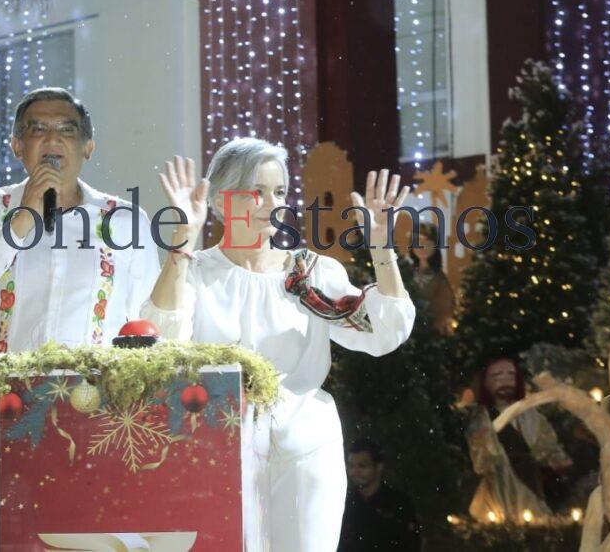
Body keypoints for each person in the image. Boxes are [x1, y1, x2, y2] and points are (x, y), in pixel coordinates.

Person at [140, 139, 416, 552]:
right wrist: (182, 238)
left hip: (306, 448)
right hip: (212, 450)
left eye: (279, 191)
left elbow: (384, 330)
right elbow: (159, 340)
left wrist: (381, 247)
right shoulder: (195, 272)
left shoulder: (311, 274)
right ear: (220, 199)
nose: (270, 203)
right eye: (256, 191)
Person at [0, 87, 161, 542]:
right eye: (37, 129)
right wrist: (19, 222)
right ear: (18, 146)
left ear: (88, 148)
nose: (52, 138)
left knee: (94, 543)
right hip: (3, 413)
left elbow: (151, 324)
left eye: (66, 129)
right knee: (21, 543)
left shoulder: (125, 221)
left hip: (97, 412)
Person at [465, 356, 572, 524]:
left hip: (529, 486)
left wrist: (556, 458)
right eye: (497, 376)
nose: (505, 381)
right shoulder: (481, 417)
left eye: (510, 375)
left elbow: (546, 445)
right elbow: (481, 458)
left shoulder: (532, 415)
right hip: (498, 489)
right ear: (486, 383)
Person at [338, 439, 421, 552]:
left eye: (362, 466)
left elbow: (411, 544)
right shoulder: (342, 501)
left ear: (379, 467)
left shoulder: (398, 503)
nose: (354, 472)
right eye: (351, 466)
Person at [407, 223, 455, 335]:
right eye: (417, 243)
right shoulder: (407, 273)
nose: (422, 247)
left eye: (427, 243)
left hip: (429, 333)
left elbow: (445, 307)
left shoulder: (439, 279)